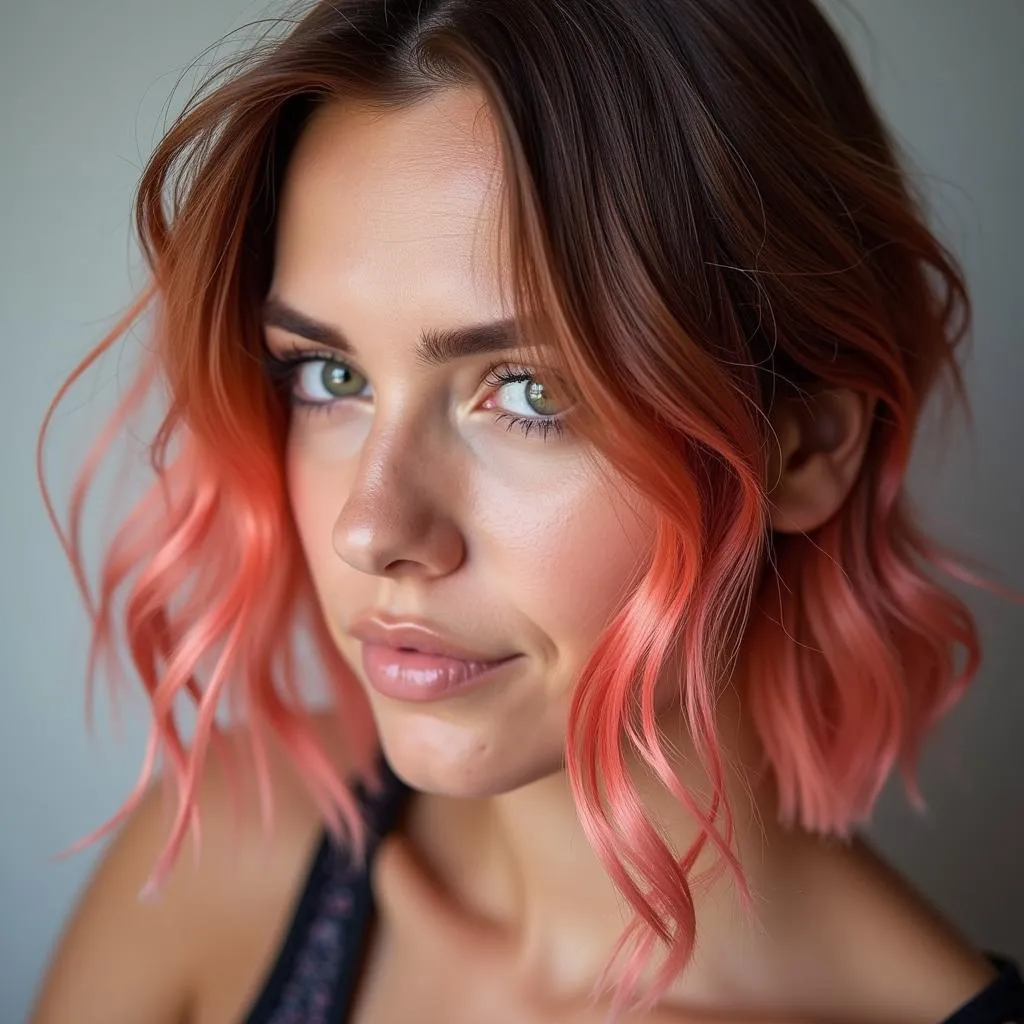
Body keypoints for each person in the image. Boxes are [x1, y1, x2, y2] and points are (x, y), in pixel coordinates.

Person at [28, 0, 1024, 1021]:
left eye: (530, 393)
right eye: (331, 375)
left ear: (804, 446)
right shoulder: (230, 846)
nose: (369, 530)